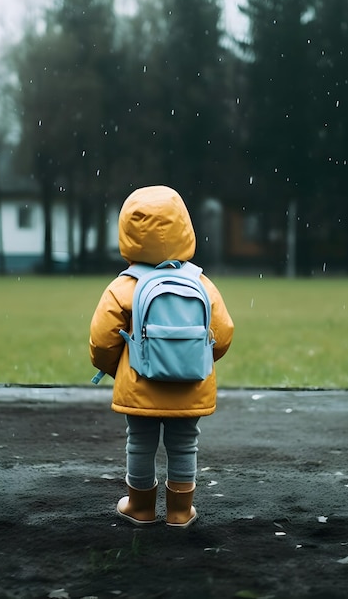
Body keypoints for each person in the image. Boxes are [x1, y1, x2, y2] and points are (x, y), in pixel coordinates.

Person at [89, 185, 234, 528]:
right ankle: (180, 511)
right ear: (184, 227)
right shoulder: (201, 283)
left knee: (140, 443)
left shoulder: (124, 286)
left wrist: (120, 368)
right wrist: (192, 360)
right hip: (190, 385)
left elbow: (101, 341)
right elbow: (224, 334)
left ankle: (139, 506)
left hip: (140, 384)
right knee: (184, 445)